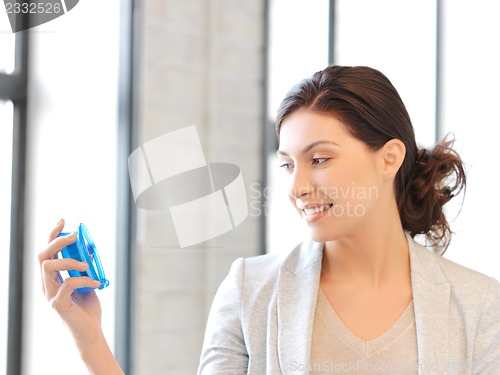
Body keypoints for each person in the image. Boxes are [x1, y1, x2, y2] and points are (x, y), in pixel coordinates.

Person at [39, 65, 500, 374]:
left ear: (389, 157)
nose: (297, 187)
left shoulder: (480, 307)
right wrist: (91, 340)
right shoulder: (250, 290)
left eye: (319, 159)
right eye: (287, 164)